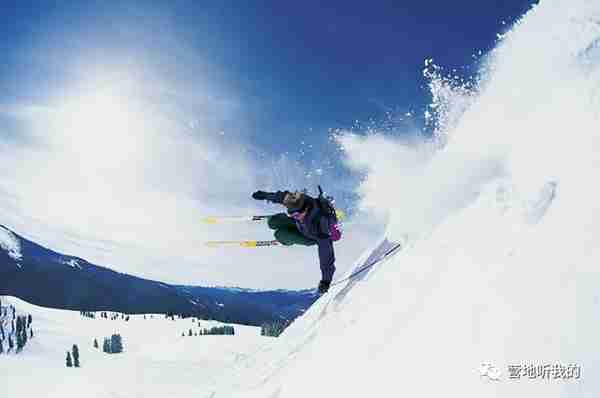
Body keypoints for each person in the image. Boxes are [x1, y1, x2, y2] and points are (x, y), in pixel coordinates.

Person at [252, 189, 339, 294]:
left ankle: (286, 240)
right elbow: (280, 196)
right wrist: (264, 195)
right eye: (292, 215)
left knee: (280, 235)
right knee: (273, 222)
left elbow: (326, 255)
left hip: (310, 236)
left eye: (296, 215)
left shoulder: (321, 226)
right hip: (302, 225)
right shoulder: (297, 201)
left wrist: (326, 281)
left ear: (305, 210)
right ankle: (276, 219)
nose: (294, 217)